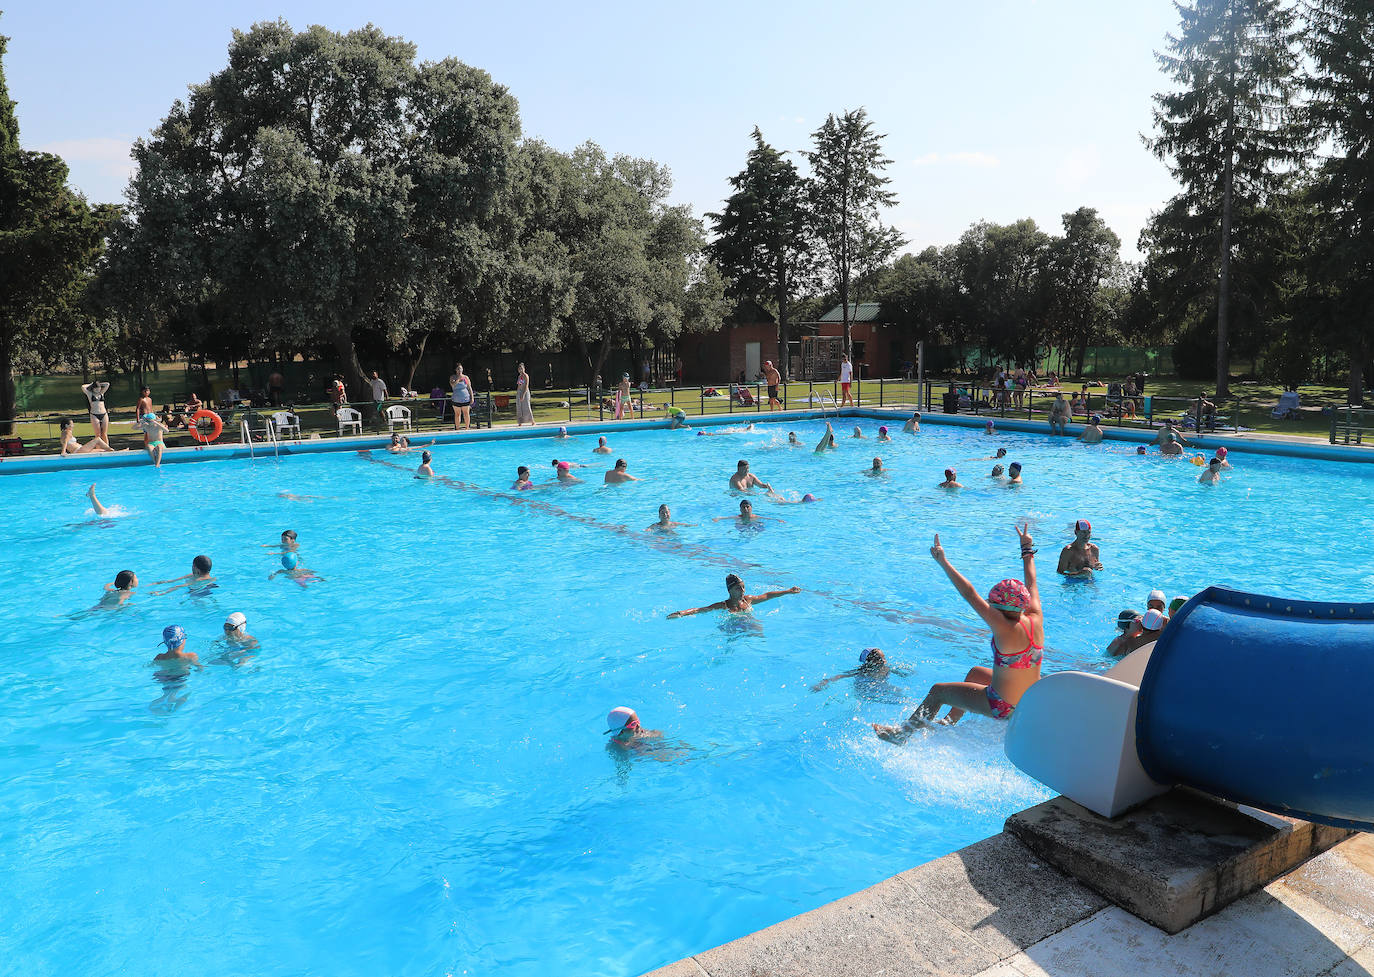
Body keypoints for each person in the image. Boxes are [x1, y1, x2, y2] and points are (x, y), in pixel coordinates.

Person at [873, 524, 1044, 740]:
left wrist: (943, 562)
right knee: (975, 673)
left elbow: (969, 593)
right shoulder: (1035, 617)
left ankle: (901, 736)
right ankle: (948, 722)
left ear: (998, 607)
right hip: (1030, 698)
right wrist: (1027, 547)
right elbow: (1032, 582)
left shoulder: (1004, 627)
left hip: (1004, 706)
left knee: (938, 691)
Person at [667, 574, 801, 618]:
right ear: (730, 590)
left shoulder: (747, 600)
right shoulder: (724, 605)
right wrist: (681, 613)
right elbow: (700, 610)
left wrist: (788, 591)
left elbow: (766, 596)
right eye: (738, 588)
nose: (742, 590)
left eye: (743, 586)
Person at [811, 647, 911, 693]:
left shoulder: (886, 667)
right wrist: (824, 682)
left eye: (883, 657)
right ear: (868, 662)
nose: (883, 661)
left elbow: (901, 672)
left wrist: (905, 674)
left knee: (901, 692)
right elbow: (841, 676)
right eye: (878, 659)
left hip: (880, 686)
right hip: (863, 688)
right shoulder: (863, 671)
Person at [713, 498, 782, 528]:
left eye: (747, 507)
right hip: (743, 526)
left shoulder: (755, 517)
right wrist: (717, 519)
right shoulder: (738, 517)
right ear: (740, 509)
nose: (746, 509)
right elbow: (726, 518)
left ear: (751, 508)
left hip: (752, 525)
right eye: (743, 507)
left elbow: (767, 518)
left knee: (760, 525)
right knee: (738, 525)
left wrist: (777, 520)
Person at [450, 364, 475, 431]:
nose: (460, 370)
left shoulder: (466, 378)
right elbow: (453, 385)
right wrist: (458, 379)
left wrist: (472, 397)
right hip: (456, 399)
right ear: (456, 370)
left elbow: (469, 388)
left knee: (466, 413)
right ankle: (457, 429)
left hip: (465, 398)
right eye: (458, 369)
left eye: (461, 368)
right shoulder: (453, 377)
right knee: (457, 414)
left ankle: (467, 428)